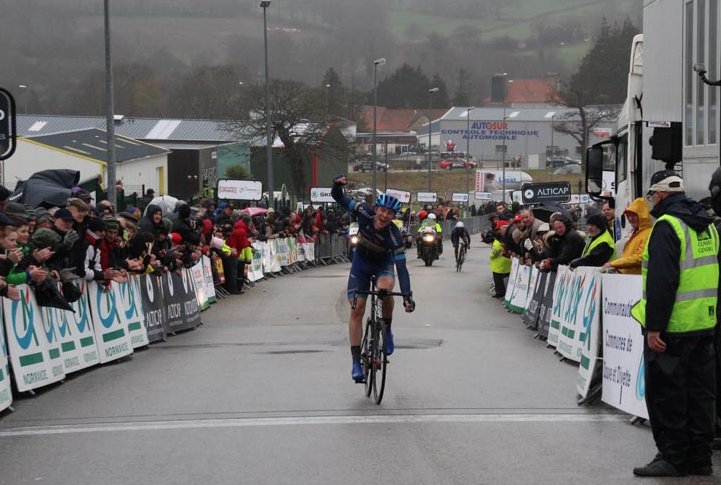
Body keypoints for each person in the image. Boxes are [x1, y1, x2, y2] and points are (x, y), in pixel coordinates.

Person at [631, 170, 718, 477]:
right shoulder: (708, 225)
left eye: (653, 195)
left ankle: (673, 456)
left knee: (668, 396)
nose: (652, 201)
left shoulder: (667, 227)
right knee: (700, 395)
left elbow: (662, 282)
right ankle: (700, 458)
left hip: (673, 328)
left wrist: (654, 326)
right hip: (704, 323)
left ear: (661, 195)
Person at [331, 174, 415, 383]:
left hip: (382, 265)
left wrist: (407, 296)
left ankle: (386, 329)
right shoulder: (363, 212)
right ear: (376, 209)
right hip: (361, 264)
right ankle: (356, 362)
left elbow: (402, 270)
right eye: (382, 211)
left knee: (385, 288)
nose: (385, 216)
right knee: (357, 308)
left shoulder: (394, 235)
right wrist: (336, 185)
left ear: (393, 216)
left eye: (390, 213)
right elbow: (339, 198)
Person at [603, 197, 652, 274]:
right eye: (629, 215)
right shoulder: (636, 233)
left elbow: (639, 258)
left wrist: (614, 264)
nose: (630, 218)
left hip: (638, 281)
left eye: (634, 215)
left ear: (642, 215)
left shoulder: (647, 233)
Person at [489, 220, 511, 298]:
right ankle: (504, 293)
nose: (498, 232)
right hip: (506, 264)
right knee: (505, 280)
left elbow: (494, 253)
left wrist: (490, 255)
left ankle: (500, 293)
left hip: (499, 265)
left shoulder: (498, 241)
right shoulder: (504, 238)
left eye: (499, 230)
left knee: (498, 281)